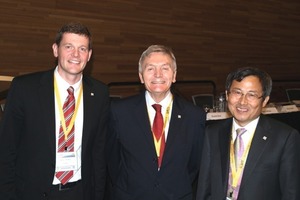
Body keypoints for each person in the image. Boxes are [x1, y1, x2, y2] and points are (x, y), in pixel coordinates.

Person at [0, 22, 110, 200]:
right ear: (55, 50)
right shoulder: (25, 88)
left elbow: (99, 152)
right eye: (68, 47)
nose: (75, 54)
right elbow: (6, 149)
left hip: (80, 192)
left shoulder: (99, 93)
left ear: (89, 55)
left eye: (82, 49)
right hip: (33, 192)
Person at [106, 45, 206, 200]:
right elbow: (113, 160)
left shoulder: (194, 116)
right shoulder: (119, 111)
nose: (158, 74)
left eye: (165, 68)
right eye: (150, 69)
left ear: (174, 75)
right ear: (141, 76)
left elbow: (194, 165)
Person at [196, 67, 300, 200]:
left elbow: (291, 193)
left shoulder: (285, 138)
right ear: (227, 95)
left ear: (265, 101)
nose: (242, 101)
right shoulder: (213, 133)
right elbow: (204, 187)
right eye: (237, 92)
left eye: (251, 95)